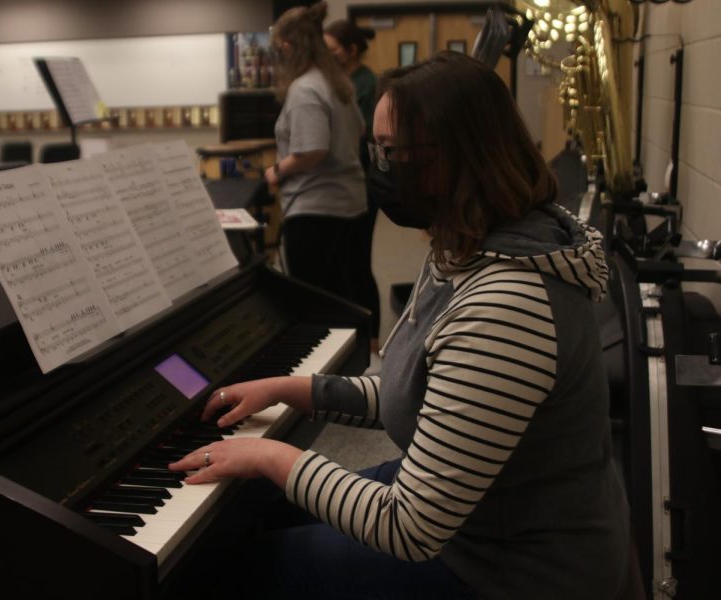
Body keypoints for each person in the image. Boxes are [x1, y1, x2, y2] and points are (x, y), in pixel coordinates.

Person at [171, 51, 630, 599]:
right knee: (263, 512)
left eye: (392, 153)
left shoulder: (508, 303)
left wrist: (271, 454)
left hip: (508, 571)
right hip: (476, 522)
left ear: (459, 159)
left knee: (238, 570)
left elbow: (407, 527)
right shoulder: (475, 242)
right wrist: (292, 388)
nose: (379, 168)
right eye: (376, 150)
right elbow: (429, 390)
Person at [263, 2, 367, 314]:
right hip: (350, 204)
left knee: (313, 303)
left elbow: (312, 150)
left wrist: (277, 170)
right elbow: (359, 130)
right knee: (341, 295)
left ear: (287, 47)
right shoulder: (337, 83)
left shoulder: (305, 88)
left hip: (316, 211)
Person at [324, 19, 382, 354]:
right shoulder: (341, 81)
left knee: (358, 263)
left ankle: (372, 340)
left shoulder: (366, 83)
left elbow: (360, 137)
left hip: (362, 185)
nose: (328, 56)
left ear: (351, 50)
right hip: (345, 186)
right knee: (344, 264)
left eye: (333, 51)